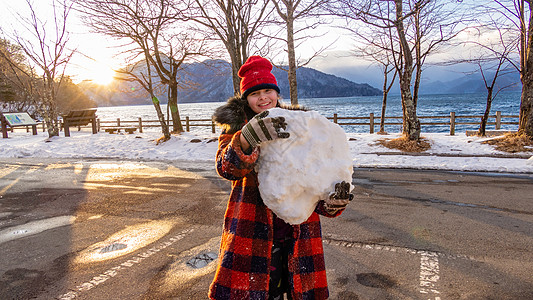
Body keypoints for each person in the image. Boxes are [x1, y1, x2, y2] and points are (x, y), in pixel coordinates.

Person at [209, 55, 353, 300]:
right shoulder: (236, 129)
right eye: (255, 94)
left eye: (268, 90)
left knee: (298, 290)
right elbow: (227, 169)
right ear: (246, 98)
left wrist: (330, 204)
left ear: (276, 93)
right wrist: (246, 138)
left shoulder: (299, 125)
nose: (263, 98)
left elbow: (315, 177)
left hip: (298, 232)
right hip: (252, 230)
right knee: (258, 293)